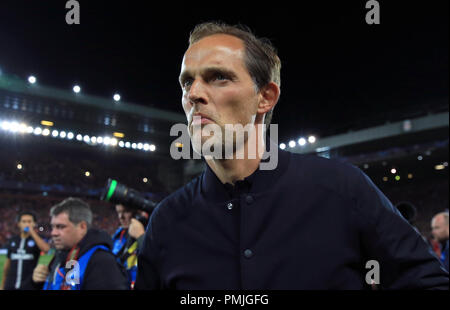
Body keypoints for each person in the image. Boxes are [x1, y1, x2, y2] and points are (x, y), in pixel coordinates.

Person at [136, 21, 449, 290]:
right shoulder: (166, 222)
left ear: (266, 97)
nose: (194, 94)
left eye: (218, 77)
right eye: (187, 81)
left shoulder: (342, 190)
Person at [32, 197, 128, 290]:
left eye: (60, 227)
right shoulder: (60, 258)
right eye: (53, 227)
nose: (53, 233)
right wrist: (38, 284)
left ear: (82, 227)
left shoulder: (101, 261)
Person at [0, 211, 50, 290]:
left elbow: (47, 250)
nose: (27, 224)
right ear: (19, 224)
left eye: (29, 221)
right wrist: (2, 286)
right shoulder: (13, 240)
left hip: (29, 285)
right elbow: (7, 266)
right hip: (10, 285)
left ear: (34, 224)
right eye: (24, 221)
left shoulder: (36, 240)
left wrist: (32, 233)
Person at [112, 204, 146, 289]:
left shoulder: (149, 234)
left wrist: (141, 237)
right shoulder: (117, 236)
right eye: (118, 212)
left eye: (126, 212)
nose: (121, 217)